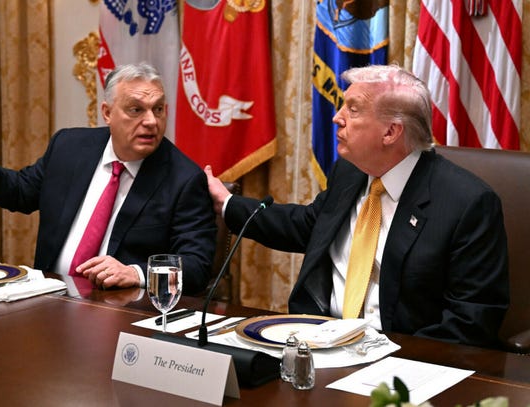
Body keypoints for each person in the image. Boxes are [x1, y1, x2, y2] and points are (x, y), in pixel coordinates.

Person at [205, 65, 509, 348]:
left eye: (353, 110)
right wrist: (227, 204)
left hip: (401, 358)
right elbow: (307, 225)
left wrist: (391, 359)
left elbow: (471, 320)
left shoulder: (467, 203)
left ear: (391, 132)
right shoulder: (350, 172)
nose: (337, 118)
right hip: (320, 342)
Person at [0, 62, 216, 294]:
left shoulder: (184, 179)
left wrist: (135, 272)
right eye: (136, 110)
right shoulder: (69, 147)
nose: (151, 121)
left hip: (117, 311)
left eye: (158, 109)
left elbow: (197, 266)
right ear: (107, 113)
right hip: (48, 298)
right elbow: (21, 192)